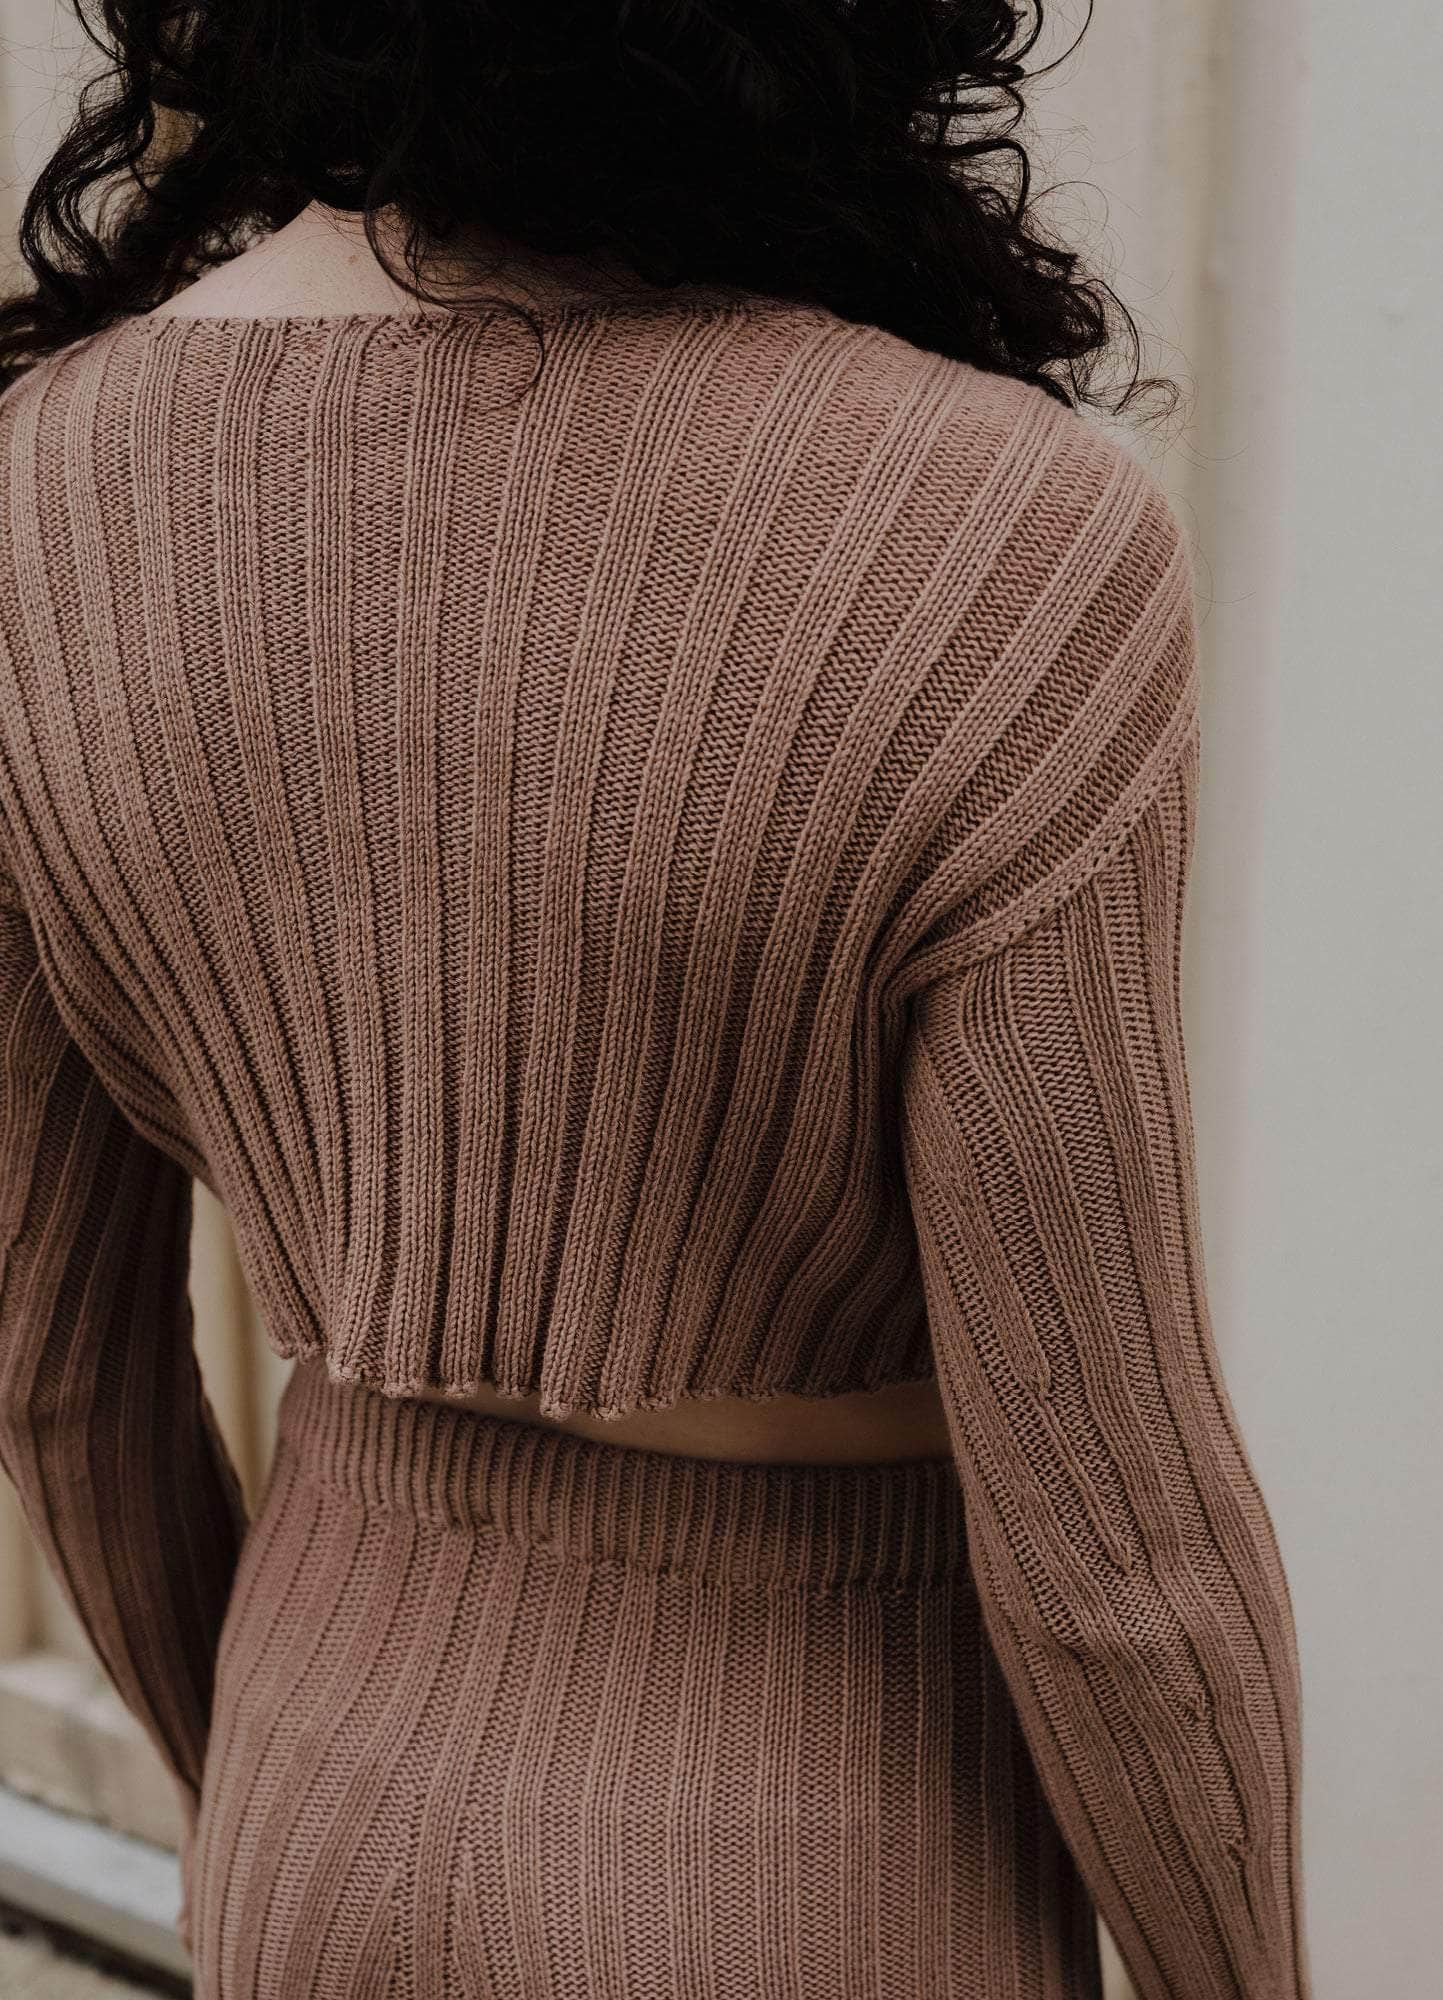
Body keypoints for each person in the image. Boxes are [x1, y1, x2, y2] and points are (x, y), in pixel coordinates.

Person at [0, 3, 1311, 1995]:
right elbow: (1109, 1546)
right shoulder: (1004, 535)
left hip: (315, 1797)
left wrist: (254, 1771)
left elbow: (54, 1371)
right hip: (830, 1858)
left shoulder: (43, 494)